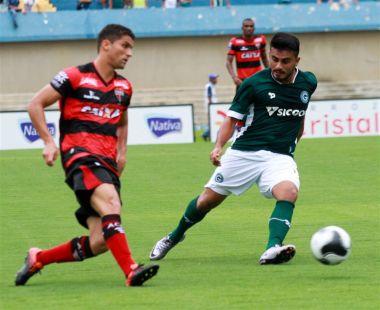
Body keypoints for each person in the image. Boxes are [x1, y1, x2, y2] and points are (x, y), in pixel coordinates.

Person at [150, 32, 317, 265]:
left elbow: (300, 111)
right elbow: (230, 120)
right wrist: (218, 146)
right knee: (206, 202)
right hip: (245, 153)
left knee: (288, 193)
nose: (278, 66)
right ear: (269, 55)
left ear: (297, 61)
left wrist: (296, 138)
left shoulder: (309, 82)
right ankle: (174, 236)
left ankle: (272, 248)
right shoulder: (253, 84)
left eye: (285, 61)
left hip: (280, 156)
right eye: (274, 59)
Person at [15, 24, 159, 287]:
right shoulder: (74, 76)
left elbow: (122, 122)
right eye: (125, 46)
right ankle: (131, 269)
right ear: (106, 44)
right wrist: (48, 142)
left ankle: (38, 258)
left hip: (106, 162)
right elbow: (35, 103)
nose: (130, 53)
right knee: (112, 206)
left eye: (132, 48)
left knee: (101, 240)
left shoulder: (124, 87)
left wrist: (122, 152)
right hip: (79, 156)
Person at [226, 18, 269, 89]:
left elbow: (264, 57)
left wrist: (269, 72)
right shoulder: (235, 41)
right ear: (242, 28)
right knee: (240, 100)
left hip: (258, 79)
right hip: (242, 81)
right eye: (246, 26)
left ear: (254, 28)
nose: (249, 28)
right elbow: (228, 62)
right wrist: (234, 77)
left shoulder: (261, 40)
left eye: (251, 26)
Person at [202, 73, 219, 142]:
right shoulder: (209, 86)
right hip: (211, 107)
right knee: (212, 122)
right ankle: (206, 134)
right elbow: (209, 97)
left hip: (212, 107)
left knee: (213, 122)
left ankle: (207, 134)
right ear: (211, 79)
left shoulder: (211, 86)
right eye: (215, 78)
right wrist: (211, 107)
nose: (216, 80)